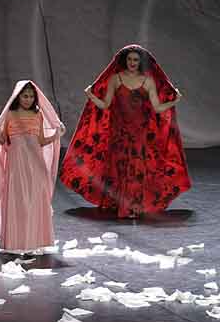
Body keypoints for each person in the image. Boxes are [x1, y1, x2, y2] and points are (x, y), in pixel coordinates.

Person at [60, 45, 190, 218]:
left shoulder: (148, 81)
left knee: (137, 166)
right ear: (124, 61)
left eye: (136, 59)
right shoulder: (116, 79)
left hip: (140, 131)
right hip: (119, 131)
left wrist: (175, 101)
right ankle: (124, 204)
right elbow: (106, 105)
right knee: (120, 167)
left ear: (140, 62)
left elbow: (157, 108)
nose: (132, 63)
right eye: (129, 59)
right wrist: (91, 95)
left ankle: (134, 206)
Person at [0, 81, 64, 254]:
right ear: (18, 96)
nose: (28, 99)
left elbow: (41, 141)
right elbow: (3, 140)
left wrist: (56, 134)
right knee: (17, 200)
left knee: (34, 199)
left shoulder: (37, 115)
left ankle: (34, 241)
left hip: (35, 164)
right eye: (25, 96)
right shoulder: (10, 114)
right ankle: (15, 240)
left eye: (31, 96)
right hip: (17, 164)